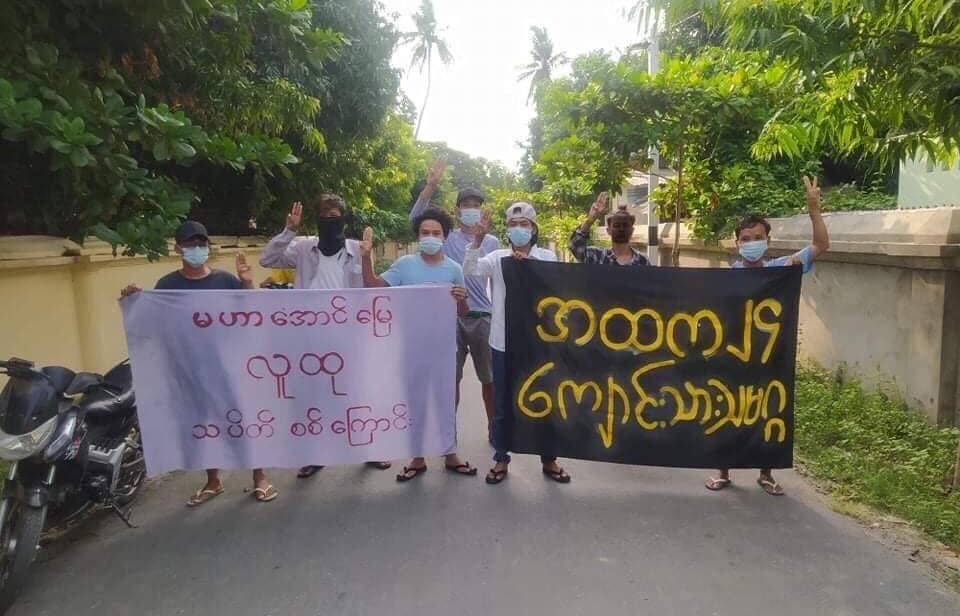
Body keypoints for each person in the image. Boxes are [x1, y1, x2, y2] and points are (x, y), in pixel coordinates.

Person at [120, 221, 279, 504]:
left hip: (229, 367)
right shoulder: (168, 287)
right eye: (191, 245)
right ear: (178, 248)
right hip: (189, 369)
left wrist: (246, 283)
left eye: (201, 244)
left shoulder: (224, 281)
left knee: (243, 421)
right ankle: (213, 480)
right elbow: (153, 324)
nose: (197, 249)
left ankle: (260, 477)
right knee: (203, 424)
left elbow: (252, 315)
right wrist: (134, 301)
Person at [705, 175, 829, 496]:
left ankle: (766, 473)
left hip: (769, 356)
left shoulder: (781, 269)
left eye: (757, 236)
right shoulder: (725, 278)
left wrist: (814, 209)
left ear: (767, 239)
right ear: (737, 242)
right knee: (727, 411)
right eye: (746, 238)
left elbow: (820, 246)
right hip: (731, 357)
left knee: (769, 411)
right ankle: (722, 471)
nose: (751, 242)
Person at [259, 193, 392, 477]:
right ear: (316, 219)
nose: (329, 221)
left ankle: (369, 448)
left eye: (334, 217)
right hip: (310, 334)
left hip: (350, 335)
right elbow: (267, 259)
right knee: (312, 394)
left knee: (358, 392)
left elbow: (372, 287)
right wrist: (289, 230)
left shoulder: (358, 248)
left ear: (343, 218)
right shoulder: (303, 248)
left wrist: (367, 258)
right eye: (324, 217)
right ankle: (314, 453)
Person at [360, 208, 477, 482]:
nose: (431, 237)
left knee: (446, 400)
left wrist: (461, 298)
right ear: (418, 236)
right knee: (416, 402)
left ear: (444, 237)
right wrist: (365, 258)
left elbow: (463, 312)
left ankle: (450, 453)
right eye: (425, 233)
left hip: (444, 349)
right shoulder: (404, 266)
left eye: (436, 233)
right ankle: (418, 457)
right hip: (410, 348)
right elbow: (374, 287)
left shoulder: (454, 268)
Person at [463, 202, 572, 486]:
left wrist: (532, 270)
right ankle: (501, 457)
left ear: (534, 229)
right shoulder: (497, 258)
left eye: (525, 225)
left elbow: (562, 290)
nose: (519, 230)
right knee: (503, 403)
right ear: (507, 230)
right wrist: (476, 240)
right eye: (514, 225)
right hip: (503, 343)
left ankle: (549, 459)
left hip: (540, 344)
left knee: (545, 401)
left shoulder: (547, 257)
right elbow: (471, 270)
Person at [409, 159, 500, 441]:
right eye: (466, 204)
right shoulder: (445, 238)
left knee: (490, 380)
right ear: (458, 209)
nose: (471, 209)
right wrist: (431, 185)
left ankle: (494, 429)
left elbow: (497, 282)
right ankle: (449, 432)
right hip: (451, 317)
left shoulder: (493, 242)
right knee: (451, 380)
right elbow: (416, 218)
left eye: (476, 204)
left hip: (483, 317)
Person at [569, 192, 649, 266]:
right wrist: (590, 219)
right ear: (608, 230)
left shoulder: (643, 262)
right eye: (617, 225)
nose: (621, 229)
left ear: (632, 230)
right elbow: (575, 246)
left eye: (625, 225)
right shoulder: (596, 257)